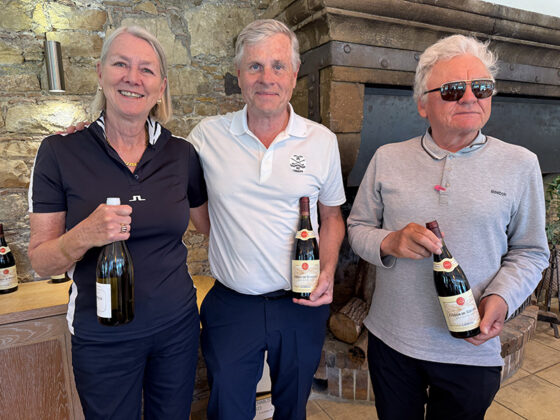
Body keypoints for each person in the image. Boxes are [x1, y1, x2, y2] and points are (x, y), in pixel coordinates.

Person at [347, 34, 550, 420]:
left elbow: (531, 251)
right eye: (454, 89)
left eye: (481, 88)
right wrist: (389, 241)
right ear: (423, 103)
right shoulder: (388, 158)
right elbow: (357, 228)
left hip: (470, 350)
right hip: (393, 343)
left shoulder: (520, 164)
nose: (470, 98)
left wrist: (502, 298)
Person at [28, 26, 209, 419]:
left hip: (177, 328)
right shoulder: (60, 151)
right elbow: (41, 262)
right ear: (100, 73)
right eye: (120, 64)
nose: (132, 77)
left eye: (146, 69)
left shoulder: (182, 155)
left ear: (161, 87)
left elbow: (212, 225)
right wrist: (83, 235)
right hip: (102, 337)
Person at [187, 19, 346, 420]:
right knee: (228, 410)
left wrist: (328, 270)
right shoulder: (206, 136)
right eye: (255, 66)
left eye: (278, 66)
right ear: (239, 74)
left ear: (294, 74)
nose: (267, 78)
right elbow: (192, 201)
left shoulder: (322, 141)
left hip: (300, 304)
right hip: (231, 305)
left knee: (292, 409)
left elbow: (332, 217)